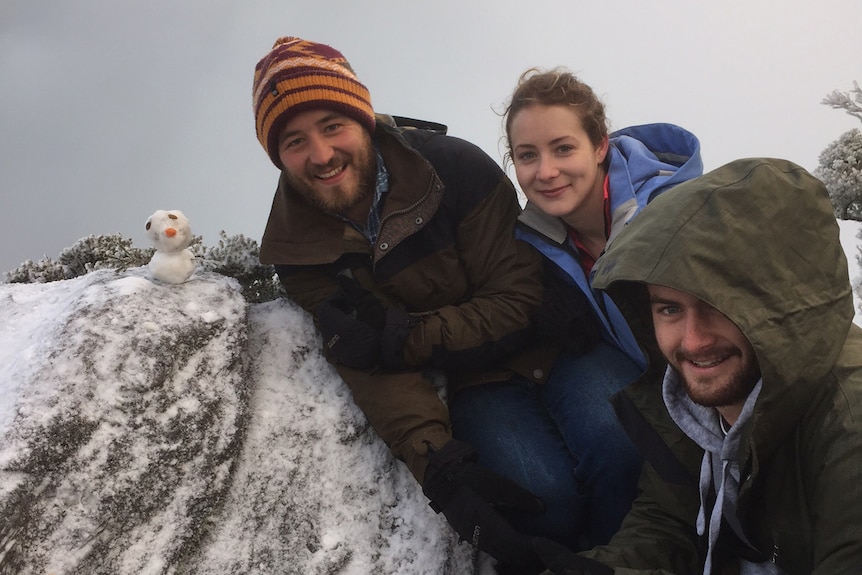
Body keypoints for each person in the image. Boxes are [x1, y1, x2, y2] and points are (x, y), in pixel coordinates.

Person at [252, 37, 641, 571]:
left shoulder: (452, 166)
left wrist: (406, 336)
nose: (320, 154)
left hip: (557, 340)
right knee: (539, 497)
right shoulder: (300, 253)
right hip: (478, 382)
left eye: (332, 126)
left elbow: (517, 295)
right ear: (276, 155)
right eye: (294, 141)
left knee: (623, 443)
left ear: (362, 119)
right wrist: (437, 465)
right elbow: (365, 361)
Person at [541, 158, 862, 574]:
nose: (693, 341)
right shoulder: (694, 404)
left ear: (782, 301)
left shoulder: (849, 429)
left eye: (718, 305)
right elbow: (667, 522)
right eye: (670, 309)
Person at [494, 68, 702, 554]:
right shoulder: (536, 238)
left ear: (601, 146)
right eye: (527, 155)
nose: (545, 171)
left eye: (563, 148)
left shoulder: (671, 210)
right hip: (655, 389)